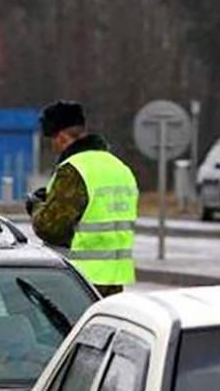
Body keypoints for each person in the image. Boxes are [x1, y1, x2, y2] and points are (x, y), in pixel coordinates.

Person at [28, 100, 139, 297]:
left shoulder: (74, 170)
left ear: (61, 137)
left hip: (79, 280)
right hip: (114, 279)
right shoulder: (119, 167)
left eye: (51, 139)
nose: (52, 146)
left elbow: (50, 227)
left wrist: (36, 206)